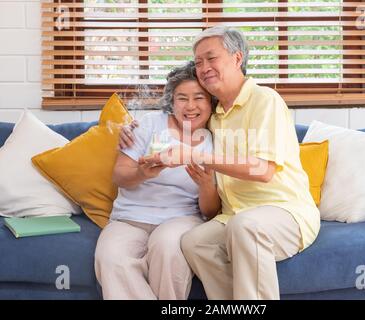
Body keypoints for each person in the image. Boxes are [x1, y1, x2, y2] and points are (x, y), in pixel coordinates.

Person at [120, 26, 320, 300]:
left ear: (237, 59)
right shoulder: (214, 115)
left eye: (211, 58)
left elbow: (263, 170)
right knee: (194, 242)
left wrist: (194, 155)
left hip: (284, 212)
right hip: (234, 216)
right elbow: (175, 111)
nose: (203, 67)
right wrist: (129, 126)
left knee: (246, 225)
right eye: (199, 61)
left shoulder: (265, 100)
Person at [94, 61, 221, 300]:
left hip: (182, 218)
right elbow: (119, 176)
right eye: (182, 98)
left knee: (168, 248)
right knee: (110, 257)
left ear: (211, 102)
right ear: (171, 102)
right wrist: (142, 173)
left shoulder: (217, 138)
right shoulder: (149, 124)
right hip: (130, 218)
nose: (190, 106)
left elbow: (211, 212)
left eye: (199, 98)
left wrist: (206, 185)